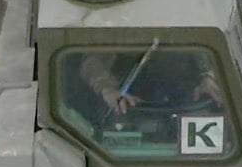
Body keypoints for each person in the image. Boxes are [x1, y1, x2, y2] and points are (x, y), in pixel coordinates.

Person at [77, 48, 222, 120]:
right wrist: (107, 89)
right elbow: (92, 62)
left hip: (185, 98)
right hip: (130, 101)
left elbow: (208, 45)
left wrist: (208, 76)